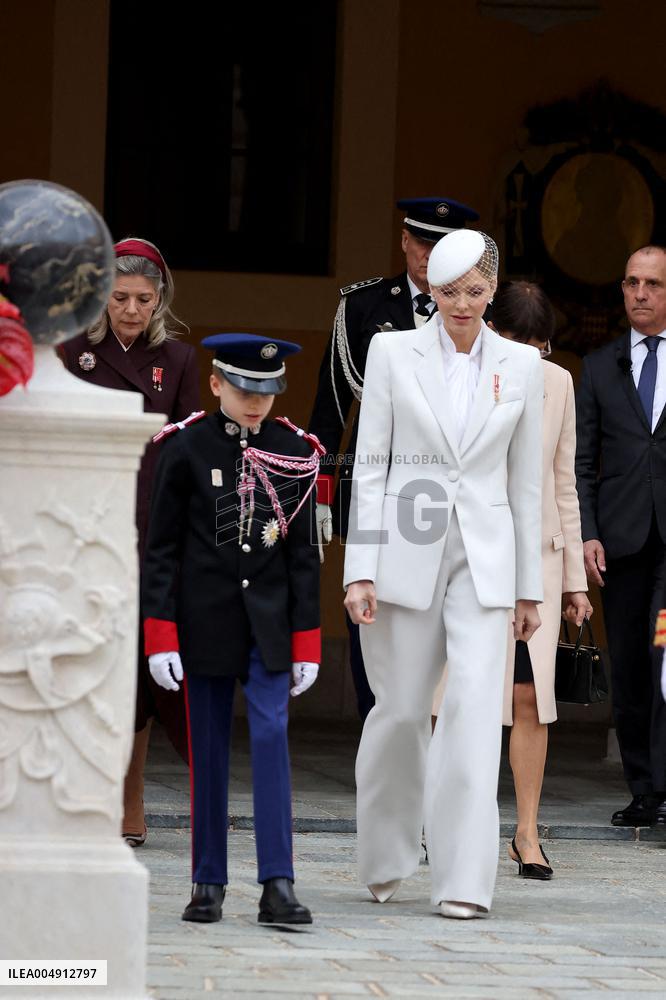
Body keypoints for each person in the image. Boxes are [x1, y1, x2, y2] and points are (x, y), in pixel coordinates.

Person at [344, 230, 544, 918]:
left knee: (471, 713)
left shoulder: (521, 365)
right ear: (429, 289)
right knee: (399, 712)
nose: (463, 303)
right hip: (404, 548)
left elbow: (526, 485)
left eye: (476, 291)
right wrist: (358, 570)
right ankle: (387, 856)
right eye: (450, 291)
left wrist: (528, 587)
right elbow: (370, 466)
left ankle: (464, 879)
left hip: (485, 559)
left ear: (493, 290)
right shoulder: (392, 351)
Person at [141, 333, 321, 924]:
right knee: (208, 749)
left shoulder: (293, 450)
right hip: (204, 624)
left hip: (268, 628)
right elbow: (161, 549)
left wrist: (307, 641)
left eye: (267, 391)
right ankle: (207, 882)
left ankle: (278, 883)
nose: (256, 402)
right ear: (216, 384)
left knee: (271, 741)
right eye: (244, 389)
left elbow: (301, 556)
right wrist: (161, 634)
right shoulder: (185, 447)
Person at [309, 196, 479, 720]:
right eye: (422, 241)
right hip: (378, 475)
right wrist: (318, 491)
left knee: (446, 607)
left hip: (447, 481)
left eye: (442, 244)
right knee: (373, 602)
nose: (430, 255)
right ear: (404, 240)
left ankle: (432, 729)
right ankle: (376, 720)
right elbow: (332, 405)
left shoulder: (473, 306)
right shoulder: (364, 307)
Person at [58, 237, 201, 846]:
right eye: (120, 298)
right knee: (83, 660)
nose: (132, 310)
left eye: (144, 298)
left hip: (152, 531)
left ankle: (130, 794)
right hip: (84, 525)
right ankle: (72, 794)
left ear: (160, 298)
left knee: (138, 673)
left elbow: (192, 446)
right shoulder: (70, 353)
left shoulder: (180, 359)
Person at [492, 282, 592, 878]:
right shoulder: (473, 374)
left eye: (539, 346)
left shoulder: (560, 384)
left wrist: (576, 580)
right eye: (516, 343)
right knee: (453, 696)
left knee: (530, 697)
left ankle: (526, 831)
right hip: (477, 557)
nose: (529, 357)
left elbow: (565, 480)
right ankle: (442, 818)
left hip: (541, 560)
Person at [576, 245, 666, 828]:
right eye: (631, 282)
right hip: (624, 540)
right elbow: (580, 462)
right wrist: (587, 533)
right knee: (632, 664)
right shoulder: (600, 365)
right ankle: (644, 788)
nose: (639, 293)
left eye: (653, 284)